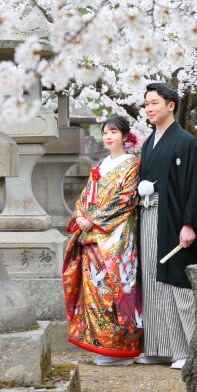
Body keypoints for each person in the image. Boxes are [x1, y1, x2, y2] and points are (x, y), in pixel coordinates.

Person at [136, 82, 197, 370]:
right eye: (146, 104)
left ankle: (189, 349)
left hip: (175, 220)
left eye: (154, 103)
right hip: (149, 216)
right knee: (153, 280)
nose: (149, 109)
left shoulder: (185, 141)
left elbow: (196, 185)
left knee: (176, 281)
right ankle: (161, 347)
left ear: (171, 105)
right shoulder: (149, 141)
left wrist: (190, 224)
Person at [62, 116, 143, 366]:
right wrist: (81, 215)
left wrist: (93, 219)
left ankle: (121, 347)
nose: (109, 137)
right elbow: (86, 196)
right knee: (94, 291)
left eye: (114, 132)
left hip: (116, 237)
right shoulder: (101, 164)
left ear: (126, 136)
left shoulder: (132, 164)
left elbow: (126, 199)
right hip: (92, 237)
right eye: (105, 132)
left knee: (115, 289)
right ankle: (102, 345)